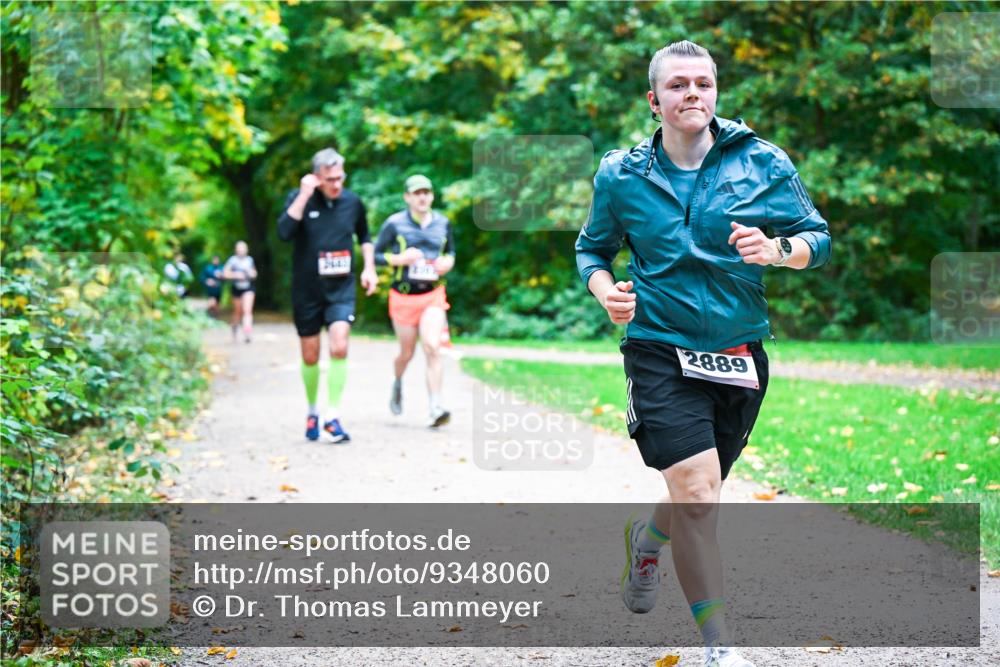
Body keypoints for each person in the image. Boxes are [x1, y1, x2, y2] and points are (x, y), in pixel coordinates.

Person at [575, 41, 831, 667]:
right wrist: (608, 293)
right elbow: (592, 250)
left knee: (700, 488)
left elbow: (817, 239)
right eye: (679, 85)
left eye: (705, 83)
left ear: (716, 91)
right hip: (659, 346)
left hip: (739, 349)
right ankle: (719, 646)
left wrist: (777, 250)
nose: (694, 93)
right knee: (697, 488)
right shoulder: (622, 175)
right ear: (654, 99)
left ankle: (647, 541)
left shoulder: (761, 162)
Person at [277, 148, 377, 443]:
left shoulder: (352, 202)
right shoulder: (300, 200)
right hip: (307, 289)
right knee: (310, 355)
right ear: (317, 177)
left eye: (340, 177)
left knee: (339, 345)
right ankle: (312, 411)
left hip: (341, 289)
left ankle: (332, 416)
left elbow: (366, 237)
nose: (337, 184)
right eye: (330, 179)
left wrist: (369, 268)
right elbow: (284, 232)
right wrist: (305, 195)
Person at [374, 174, 455, 428]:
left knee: (432, 346)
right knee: (406, 353)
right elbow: (375, 255)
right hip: (403, 296)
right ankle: (397, 383)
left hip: (432, 294)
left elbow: (451, 252)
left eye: (426, 192)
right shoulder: (394, 223)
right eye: (416, 193)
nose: (422, 197)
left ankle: (435, 407)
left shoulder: (443, 222)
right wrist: (400, 260)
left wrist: (447, 263)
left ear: (431, 195)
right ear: (407, 197)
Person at [223, 241, 257, 343]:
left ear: (246, 250)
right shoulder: (232, 260)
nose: (241, 250)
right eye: (239, 248)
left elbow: (255, 273)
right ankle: (234, 327)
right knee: (238, 311)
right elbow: (225, 273)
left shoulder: (249, 260)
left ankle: (247, 332)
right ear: (236, 250)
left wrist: (251, 274)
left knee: (247, 310)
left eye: (243, 248)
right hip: (236, 288)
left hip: (248, 287)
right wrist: (236, 275)